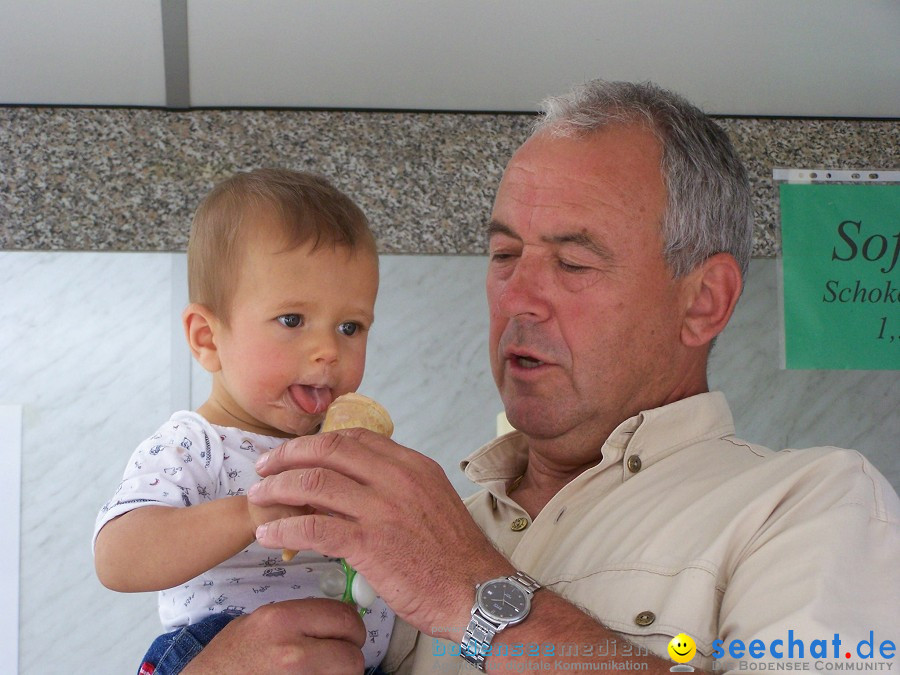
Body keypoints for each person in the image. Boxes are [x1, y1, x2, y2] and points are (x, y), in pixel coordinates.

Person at [190, 81, 900, 674]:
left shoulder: (811, 506)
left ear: (703, 300)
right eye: (504, 254)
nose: (519, 296)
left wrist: (475, 593)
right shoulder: (428, 528)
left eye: (573, 262)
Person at [93, 168, 394, 674]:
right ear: (208, 339)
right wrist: (251, 515)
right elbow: (118, 558)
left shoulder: (351, 449)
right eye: (292, 321)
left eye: (350, 326)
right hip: (219, 649)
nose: (327, 351)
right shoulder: (195, 445)